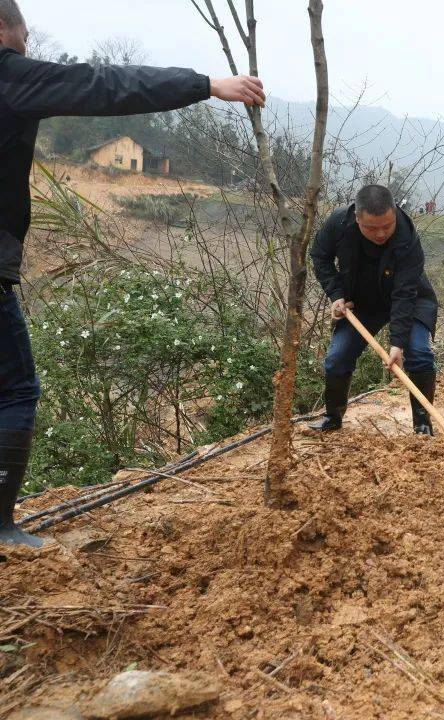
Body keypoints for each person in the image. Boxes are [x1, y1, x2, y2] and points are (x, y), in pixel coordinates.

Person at [0, 0, 265, 548]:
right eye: (23, 39)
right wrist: (207, 84)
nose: (26, 50)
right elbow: (108, 86)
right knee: (14, 388)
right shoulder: (9, 75)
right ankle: (1, 525)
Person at [308, 185, 440, 436]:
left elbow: (404, 292)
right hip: (362, 302)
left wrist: (397, 343)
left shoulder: (407, 236)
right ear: (357, 218)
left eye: (387, 226)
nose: (381, 233)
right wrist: (336, 295)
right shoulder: (338, 224)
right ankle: (332, 417)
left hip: (409, 299)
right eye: (371, 228)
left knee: (420, 353)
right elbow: (319, 257)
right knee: (338, 356)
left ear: (394, 214)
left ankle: (422, 425)